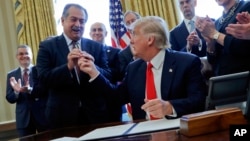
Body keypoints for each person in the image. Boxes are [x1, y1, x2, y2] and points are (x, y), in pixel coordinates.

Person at [78, 16, 207, 120]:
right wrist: (95, 73)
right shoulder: (133, 68)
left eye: (134, 35)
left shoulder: (187, 62)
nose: (131, 41)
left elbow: (198, 100)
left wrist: (170, 107)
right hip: (143, 133)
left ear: (150, 39)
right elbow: (116, 97)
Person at [36, 3, 112, 129]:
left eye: (82, 21)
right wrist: (68, 66)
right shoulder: (47, 46)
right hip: (61, 118)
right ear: (62, 20)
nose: (78, 25)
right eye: (73, 19)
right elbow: (43, 80)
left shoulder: (95, 46)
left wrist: (94, 68)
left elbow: (109, 77)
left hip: (95, 116)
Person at [196, 0, 250, 76]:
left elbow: (242, 47)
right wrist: (210, 43)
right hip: (220, 78)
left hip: (242, 76)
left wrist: (214, 33)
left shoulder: (246, 7)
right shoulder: (218, 22)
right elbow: (212, 61)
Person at [6, 45, 48, 137]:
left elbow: (45, 91)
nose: (24, 56)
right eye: (21, 54)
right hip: (23, 119)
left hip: (42, 116)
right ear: (17, 57)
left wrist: (30, 90)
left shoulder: (40, 70)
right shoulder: (11, 75)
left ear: (32, 55)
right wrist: (17, 92)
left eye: (26, 53)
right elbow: (9, 98)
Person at [89, 22, 123, 122]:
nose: (97, 32)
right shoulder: (85, 53)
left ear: (106, 33)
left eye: (100, 30)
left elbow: (118, 74)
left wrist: (95, 70)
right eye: (94, 30)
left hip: (110, 101)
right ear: (90, 34)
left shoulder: (116, 52)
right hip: (92, 104)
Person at [118, 10, 141, 78]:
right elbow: (125, 76)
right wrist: (135, 58)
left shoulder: (152, 39)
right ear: (127, 29)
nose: (131, 24)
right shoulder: (123, 54)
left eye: (133, 20)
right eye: (128, 23)